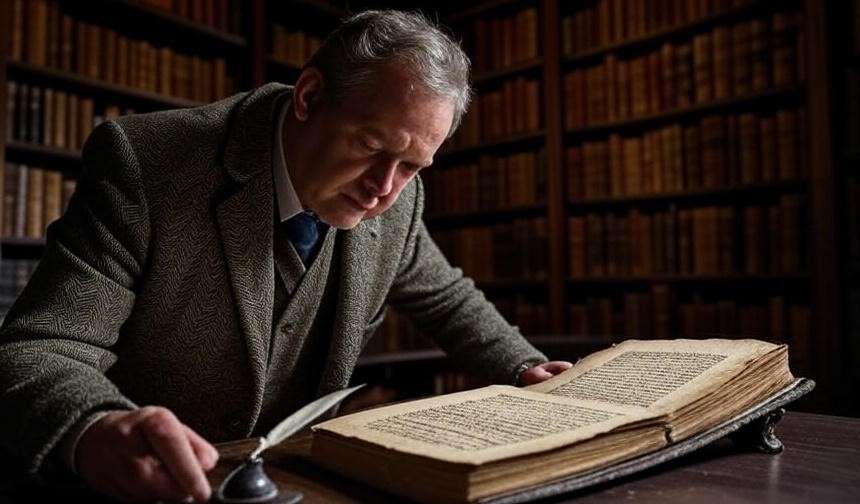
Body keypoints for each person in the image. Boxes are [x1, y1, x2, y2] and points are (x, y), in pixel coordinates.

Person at [0, 10, 572, 503]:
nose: (385, 189)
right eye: (371, 147)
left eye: (413, 166)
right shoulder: (146, 164)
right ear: (309, 96)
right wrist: (94, 426)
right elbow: (40, 348)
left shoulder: (398, 196)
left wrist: (525, 369)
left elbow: (445, 295)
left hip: (287, 480)